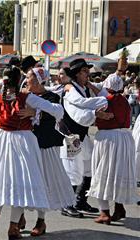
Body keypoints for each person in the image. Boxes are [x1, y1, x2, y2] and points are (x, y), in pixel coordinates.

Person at [0, 66, 64, 239]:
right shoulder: (27, 97)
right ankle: (13, 227)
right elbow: (57, 110)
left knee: (0, 179)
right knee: (20, 184)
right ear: (19, 81)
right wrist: (36, 111)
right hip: (22, 140)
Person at [22, 67, 75, 236]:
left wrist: (35, 112)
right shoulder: (24, 95)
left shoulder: (52, 97)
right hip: (25, 145)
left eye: (29, 78)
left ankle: (41, 220)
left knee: (44, 181)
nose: (26, 81)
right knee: (22, 180)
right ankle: (19, 215)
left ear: (37, 81)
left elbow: (55, 115)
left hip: (44, 145)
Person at [60, 58, 112, 218]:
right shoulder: (70, 89)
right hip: (70, 135)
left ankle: (80, 200)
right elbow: (78, 108)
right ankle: (66, 204)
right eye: (84, 71)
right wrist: (96, 112)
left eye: (87, 70)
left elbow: (107, 95)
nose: (87, 73)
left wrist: (91, 86)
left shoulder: (84, 87)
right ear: (76, 74)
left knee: (89, 166)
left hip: (81, 134)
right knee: (72, 169)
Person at [88, 72, 137, 224]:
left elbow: (92, 115)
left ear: (107, 86)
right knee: (117, 173)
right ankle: (119, 207)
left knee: (101, 172)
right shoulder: (125, 101)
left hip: (108, 139)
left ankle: (104, 212)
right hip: (125, 138)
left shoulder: (104, 101)